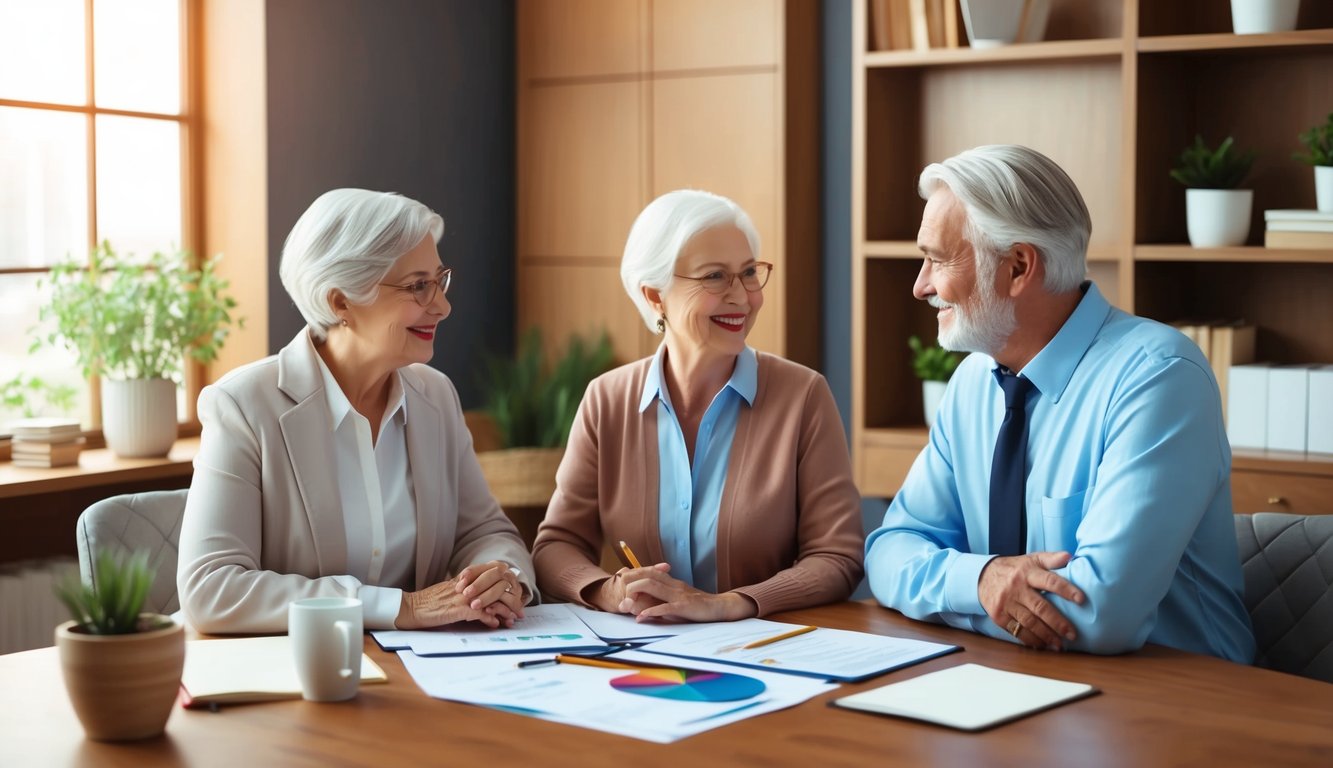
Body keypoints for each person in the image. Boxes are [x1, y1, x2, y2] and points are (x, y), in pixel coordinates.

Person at [864, 145, 1255, 663]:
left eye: (938, 259)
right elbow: (890, 553)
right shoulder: (972, 382)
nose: (921, 286)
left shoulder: (1160, 379)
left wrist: (941, 590)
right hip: (1018, 681)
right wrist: (979, 580)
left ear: (1019, 266)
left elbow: (1099, 614)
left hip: (1183, 700)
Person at [178, 188, 535, 634]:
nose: (442, 306)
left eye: (439, 280)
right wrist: (402, 608)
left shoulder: (436, 396)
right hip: (300, 678)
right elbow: (211, 588)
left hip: (423, 674)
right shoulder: (244, 405)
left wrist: (502, 580)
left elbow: (485, 531)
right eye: (418, 286)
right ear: (340, 301)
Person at [532, 189, 864, 622]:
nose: (743, 296)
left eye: (748, 272)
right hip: (646, 651)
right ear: (654, 296)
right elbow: (556, 545)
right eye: (714, 277)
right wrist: (609, 592)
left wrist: (726, 605)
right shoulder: (606, 399)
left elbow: (838, 558)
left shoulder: (803, 396)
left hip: (765, 652)